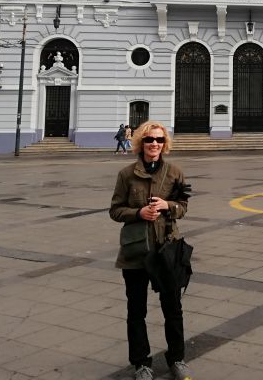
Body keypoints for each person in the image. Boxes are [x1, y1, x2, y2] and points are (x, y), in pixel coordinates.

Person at [110, 121, 192, 380]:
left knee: (173, 309)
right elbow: (115, 210)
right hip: (136, 252)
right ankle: (141, 363)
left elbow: (183, 206)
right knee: (136, 311)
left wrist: (168, 205)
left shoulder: (174, 172)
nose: (153, 144)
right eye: (148, 140)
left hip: (166, 250)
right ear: (140, 143)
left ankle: (177, 359)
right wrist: (139, 212)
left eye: (158, 139)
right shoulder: (126, 174)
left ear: (164, 143)